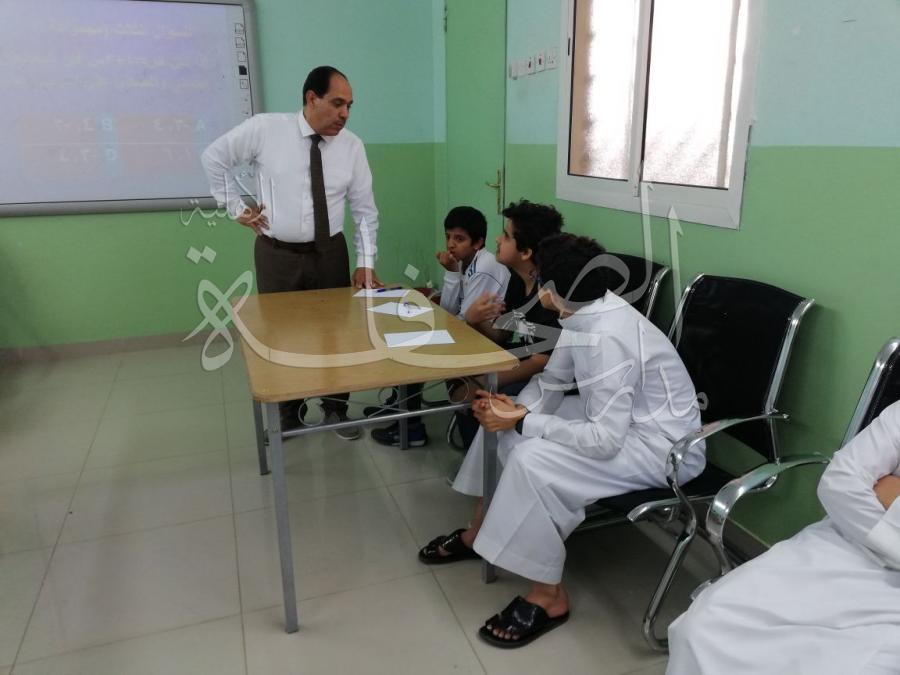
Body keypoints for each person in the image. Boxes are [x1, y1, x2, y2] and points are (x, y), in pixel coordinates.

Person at [419, 233, 705, 648]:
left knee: (531, 458)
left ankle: (549, 596)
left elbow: (604, 441)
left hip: (662, 448)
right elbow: (552, 381)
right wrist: (515, 411)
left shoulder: (609, 338)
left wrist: (525, 422)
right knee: (504, 424)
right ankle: (478, 532)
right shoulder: (583, 311)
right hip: (619, 422)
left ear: (549, 290)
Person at [201, 65, 382, 438]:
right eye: (337, 103)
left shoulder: (352, 147)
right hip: (277, 255)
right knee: (280, 337)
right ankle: (288, 414)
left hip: (329, 253)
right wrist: (235, 208)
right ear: (311, 98)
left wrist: (366, 262)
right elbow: (213, 158)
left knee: (335, 335)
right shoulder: (266, 130)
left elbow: (365, 210)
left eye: (349, 106)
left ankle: (336, 410)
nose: (345, 114)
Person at [666, 401, 900, 675]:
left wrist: (886, 492)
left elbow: (869, 489)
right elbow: (839, 483)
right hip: (843, 542)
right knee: (706, 624)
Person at [369, 206, 509, 447]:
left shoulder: (484, 267)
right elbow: (450, 310)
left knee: (412, 345)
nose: (451, 244)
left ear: (478, 242)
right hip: (469, 332)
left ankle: (411, 427)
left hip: (483, 340)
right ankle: (400, 406)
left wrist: (435, 323)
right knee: (407, 333)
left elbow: (461, 317)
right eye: (448, 237)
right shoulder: (466, 262)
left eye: (459, 239)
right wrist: (452, 273)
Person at [451, 199, 565, 448]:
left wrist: (486, 381)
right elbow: (501, 335)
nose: (497, 240)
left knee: (469, 393)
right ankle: (476, 453)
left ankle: (485, 460)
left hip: (548, 378)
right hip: (522, 359)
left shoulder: (549, 293)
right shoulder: (517, 279)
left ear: (526, 253)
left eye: (506, 236)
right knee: (458, 375)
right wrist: (474, 319)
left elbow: (541, 361)